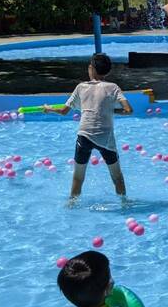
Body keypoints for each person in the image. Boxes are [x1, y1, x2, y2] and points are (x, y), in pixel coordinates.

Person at [45, 53, 132, 201]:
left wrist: (49, 108)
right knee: (117, 177)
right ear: (108, 71)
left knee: (78, 178)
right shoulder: (113, 87)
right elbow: (129, 110)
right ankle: (124, 204)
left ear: (91, 69)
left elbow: (64, 111)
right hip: (105, 139)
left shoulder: (81, 87)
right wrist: (112, 110)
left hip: (84, 135)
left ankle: (71, 204)